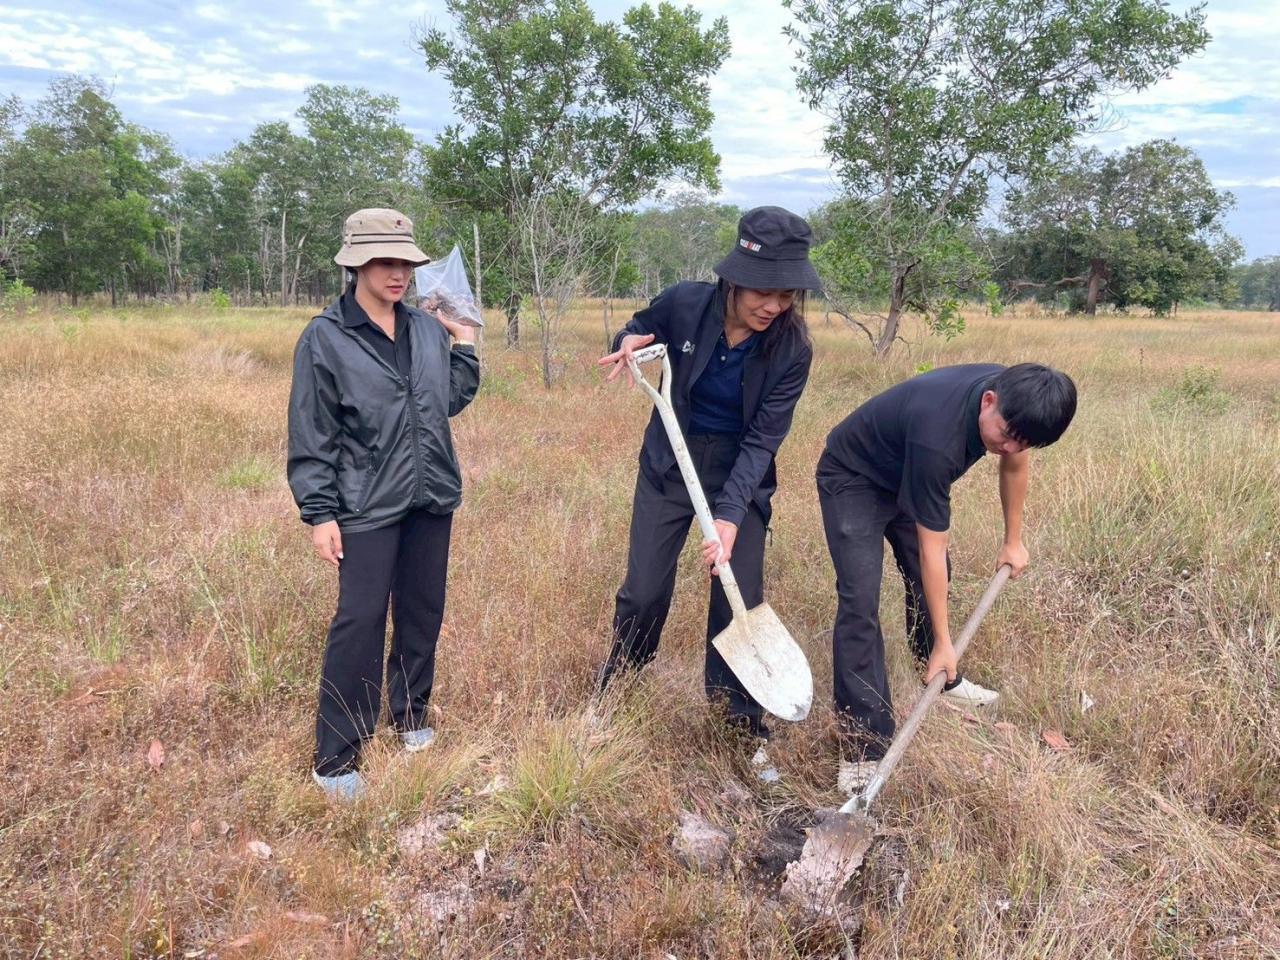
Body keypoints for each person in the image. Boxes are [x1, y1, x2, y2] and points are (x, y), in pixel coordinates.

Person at [596, 206, 819, 781]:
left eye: (787, 293)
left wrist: (729, 516)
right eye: (765, 291)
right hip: (671, 460)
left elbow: (765, 438)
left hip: (740, 472)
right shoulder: (685, 304)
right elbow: (640, 326)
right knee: (644, 589)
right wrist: (628, 341)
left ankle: (738, 723)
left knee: (735, 595)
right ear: (735, 278)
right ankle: (617, 687)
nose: (774, 305)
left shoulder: (792, 348)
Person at [287, 208, 480, 801]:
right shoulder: (326, 337)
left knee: (423, 611)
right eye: (386, 262)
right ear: (356, 264)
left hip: (430, 495)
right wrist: (320, 512)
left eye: (407, 263)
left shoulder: (425, 330)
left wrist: (465, 345)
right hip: (365, 503)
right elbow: (312, 431)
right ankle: (336, 758)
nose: (399, 274)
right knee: (361, 619)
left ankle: (411, 715)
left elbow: (444, 399)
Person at [816, 362, 1076, 795]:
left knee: (931, 578)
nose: (1010, 446)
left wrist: (1014, 540)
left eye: (1024, 441)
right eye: (1006, 435)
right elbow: (932, 546)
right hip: (853, 476)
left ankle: (936, 674)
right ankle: (863, 745)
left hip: (905, 469)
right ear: (989, 401)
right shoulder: (938, 436)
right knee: (861, 600)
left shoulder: (1018, 403)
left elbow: (1014, 463)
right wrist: (946, 639)